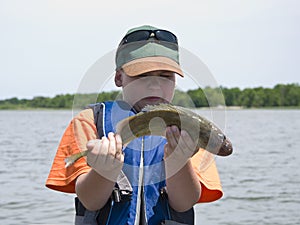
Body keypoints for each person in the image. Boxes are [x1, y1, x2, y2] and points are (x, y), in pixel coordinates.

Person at [46, 25, 223, 225]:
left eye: (165, 76)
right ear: (119, 77)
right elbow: (90, 201)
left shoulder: (189, 128)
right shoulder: (89, 120)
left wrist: (179, 160)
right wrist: (105, 170)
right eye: (141, 75)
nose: (154, 84)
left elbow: (184, 203)